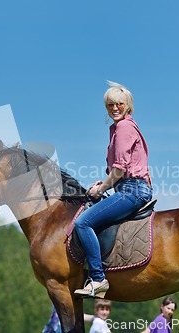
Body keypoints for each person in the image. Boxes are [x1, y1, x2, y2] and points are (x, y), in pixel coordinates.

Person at [74, 81, 152, 298]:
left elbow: (119, 170)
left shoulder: (124, 128)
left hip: (132, 190)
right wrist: (104, 183)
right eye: (110, 105)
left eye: (119, 104)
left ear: (127, 106)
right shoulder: (125, 127)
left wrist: (100, 190)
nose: (114, 108)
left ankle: (98, 279)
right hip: (130, 187)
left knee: (83, 222)